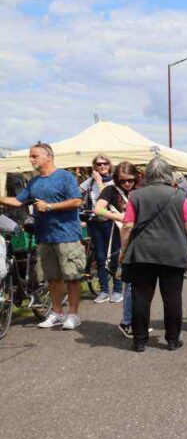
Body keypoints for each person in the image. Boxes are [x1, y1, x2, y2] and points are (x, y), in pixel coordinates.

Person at [0, 142, 85, 329]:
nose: (30, 159)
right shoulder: (34, 182)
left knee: (72, 277)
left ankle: (73, 315)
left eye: (34, 156)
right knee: (52, 277)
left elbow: (77, 200)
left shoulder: (65, 177)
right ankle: (56, 312)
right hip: (45, 236)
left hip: (67, 235)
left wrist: (50, 206)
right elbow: (17, 201)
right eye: (30, 156)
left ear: (48, 156)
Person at [119, 157, 187, 352]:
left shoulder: (135, 195)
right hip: (173, 252)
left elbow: (127, 226)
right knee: (172, 297)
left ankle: (139, 341)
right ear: (168, 174)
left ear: (147, 175)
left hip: (142, 253)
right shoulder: (179, 195)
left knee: (141, 297)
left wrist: (123, 251)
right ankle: (172, 340)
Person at [95, 161, 140, 337]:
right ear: (117, 180)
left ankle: (134, 321)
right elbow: (98, 209)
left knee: (138, 284)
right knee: (130, 283)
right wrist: (119, 216)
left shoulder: (140, 190)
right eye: (123, 181)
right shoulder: (110, 190)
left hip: (141, 239)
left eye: (131, 180)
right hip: (123, 238)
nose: (127, 184)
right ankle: (127, 321)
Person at [80, 154, 122, 302]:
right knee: (100, 256)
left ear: (109, 166)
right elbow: (76, 193)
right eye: (99, 164)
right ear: (94, 167)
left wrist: (99, 182)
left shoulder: (115, 181)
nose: (102, 166)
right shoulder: (89, 181)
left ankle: (117, 289)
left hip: (111, 222)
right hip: (94, 221)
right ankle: (104, 290)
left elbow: (109, 197)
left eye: (105, 163)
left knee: (115, 256)